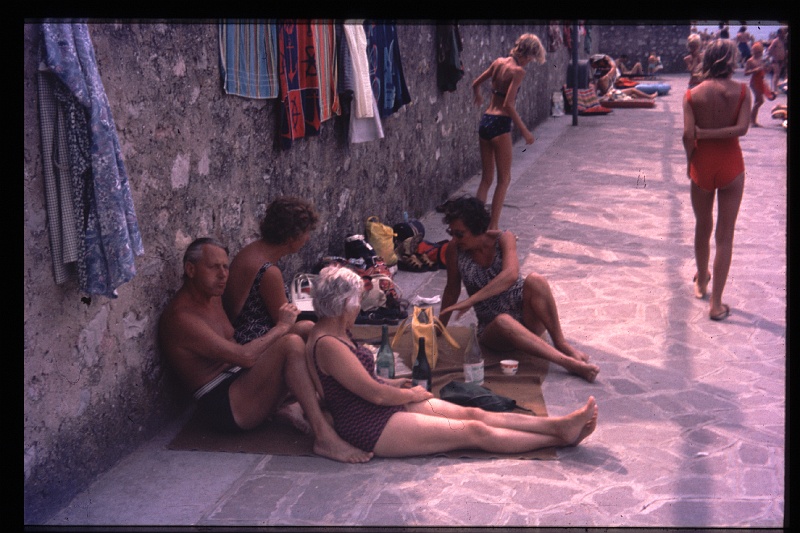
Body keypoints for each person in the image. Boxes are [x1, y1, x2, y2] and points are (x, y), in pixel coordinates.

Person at [305, 264, 599, 456]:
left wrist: (394, 384)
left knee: (475, 414)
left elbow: (359, 383)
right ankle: (558, 437)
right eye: (357, 301)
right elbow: (375, 395)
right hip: (369, 426)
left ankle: (558, 425)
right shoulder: (328, 343)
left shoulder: (334, 330)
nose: (359, 307)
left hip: (380, 405)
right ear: (345, 305)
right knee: (473, 432)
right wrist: (407, 392)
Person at [159, 237, 372, 463]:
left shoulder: (211, 296)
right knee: (290, 344)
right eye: (213, 267)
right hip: (224, 405)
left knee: (306, 328)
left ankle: (356, 391)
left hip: (239, 378)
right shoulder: (181, 318)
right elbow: (245, 357)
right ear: (190, 269)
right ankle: (324, 436)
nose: (222, 274)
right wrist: (281, 327)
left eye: (225, 267)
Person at [436, 196, 600, 382]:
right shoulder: (454, 250)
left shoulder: (504, 238)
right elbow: (451, 290)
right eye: (452, 233)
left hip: (526, 316)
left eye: (460, 234)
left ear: (477, 229)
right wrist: (439, 326)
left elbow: (511, 275)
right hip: (495, 329)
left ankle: (562, 344)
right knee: (503, 320)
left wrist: (471, 301)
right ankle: (568, 363)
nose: (455, 239)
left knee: (536, 280)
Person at [682, 39, 751, 321]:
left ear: (707, 60)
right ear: (732, 60)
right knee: (725, 235)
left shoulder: (692, 94)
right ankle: (717, 304)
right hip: (731, 164)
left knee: (702, 225)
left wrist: (691, 160)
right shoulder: (743, 92)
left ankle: (701, 282)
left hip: (703, 163)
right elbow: (742, 129)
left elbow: (688, 135)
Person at [471, 33, 547, 231]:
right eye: (531, 58)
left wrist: (478, 95)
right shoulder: (517, 71)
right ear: (528, 55)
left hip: (486, 121)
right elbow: (508, 105)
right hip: (500, 124)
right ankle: (493, 227)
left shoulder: (498, 63)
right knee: (504, 179)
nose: (530, 63)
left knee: (486, 179)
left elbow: (475, 83)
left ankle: (473, 225)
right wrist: (525, 131)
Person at [223, 196, 319, 345]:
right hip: (251, 337)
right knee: (308, 328)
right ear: (291, 237)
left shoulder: (253, 250)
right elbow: (284, 321)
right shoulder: (268, 271)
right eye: (306, 233)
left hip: (242, 329)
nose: (307, 239)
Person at [744, 42, 777, 126]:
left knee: (758, 101)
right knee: (759, 100)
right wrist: (755, 70)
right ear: (754, 51)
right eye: (758, 52)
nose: (759, 54)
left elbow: (765, 70)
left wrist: (768, 69)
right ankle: (752, 121)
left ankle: (752, 120)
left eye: (760, 52)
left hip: (761, 80)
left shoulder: (761, 60)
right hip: (754, 82)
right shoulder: (750, 61)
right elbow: (746, 72)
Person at [766, 27, 787, 95]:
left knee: (778, 75)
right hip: (775, 60)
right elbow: (769, 49)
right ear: (779, 34)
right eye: (783, 33)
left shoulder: (783, 41)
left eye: (784, 33)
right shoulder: (775, 41)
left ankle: (776, 87)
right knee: (776, 74)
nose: (784, 34)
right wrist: (771, 56)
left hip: (781, 60)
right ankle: (774, 89)